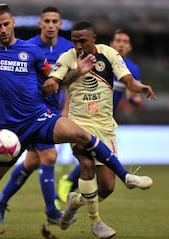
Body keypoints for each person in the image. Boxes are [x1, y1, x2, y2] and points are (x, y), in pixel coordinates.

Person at [0, 4, 155, 239]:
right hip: (10, 131)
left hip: (40, 118)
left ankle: (126, 177)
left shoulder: (31, 51)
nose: (3, 29)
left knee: (81, 134)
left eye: (6, 24)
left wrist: (74, 73)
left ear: (13, 23)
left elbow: (55, 79)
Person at [45, 22, 155, 238]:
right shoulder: (67, 58)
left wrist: (141, 88)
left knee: (107, 187)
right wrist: (77, 72)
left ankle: (76, 201)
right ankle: (96, 223)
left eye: (82, 41)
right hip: (78, 125)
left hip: (105, 126)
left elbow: (129, 82)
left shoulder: (109, 54)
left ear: (94, 39)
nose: (78, 45)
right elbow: (53, 82)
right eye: (75, 40)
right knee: (86, 166)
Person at [0, 6, 73, 225]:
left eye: (55, 21)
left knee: (33, 161)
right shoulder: (30, 47)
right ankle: (52, 211)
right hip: (34, 112)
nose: (51, 25)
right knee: (50, 157)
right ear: (40, 24)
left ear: (60, 24)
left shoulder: (68, 48)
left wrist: (66, 109)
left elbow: (70, 81)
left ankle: (1, 200)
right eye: (47, 21)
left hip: (54, 109)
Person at [57, 28, 142, 204]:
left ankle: (77, 198)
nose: (121, 44)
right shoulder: (96, 59)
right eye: (118, 40)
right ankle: (69, 183)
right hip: (83, 117)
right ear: (111, 44)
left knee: (105, 181)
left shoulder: (132, 70)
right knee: (88, 162)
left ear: (130, 47)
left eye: (125, 42)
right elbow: (74, 88)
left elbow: (136, 98)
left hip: (105, 119)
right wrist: (66, 110)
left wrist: (133, 99)